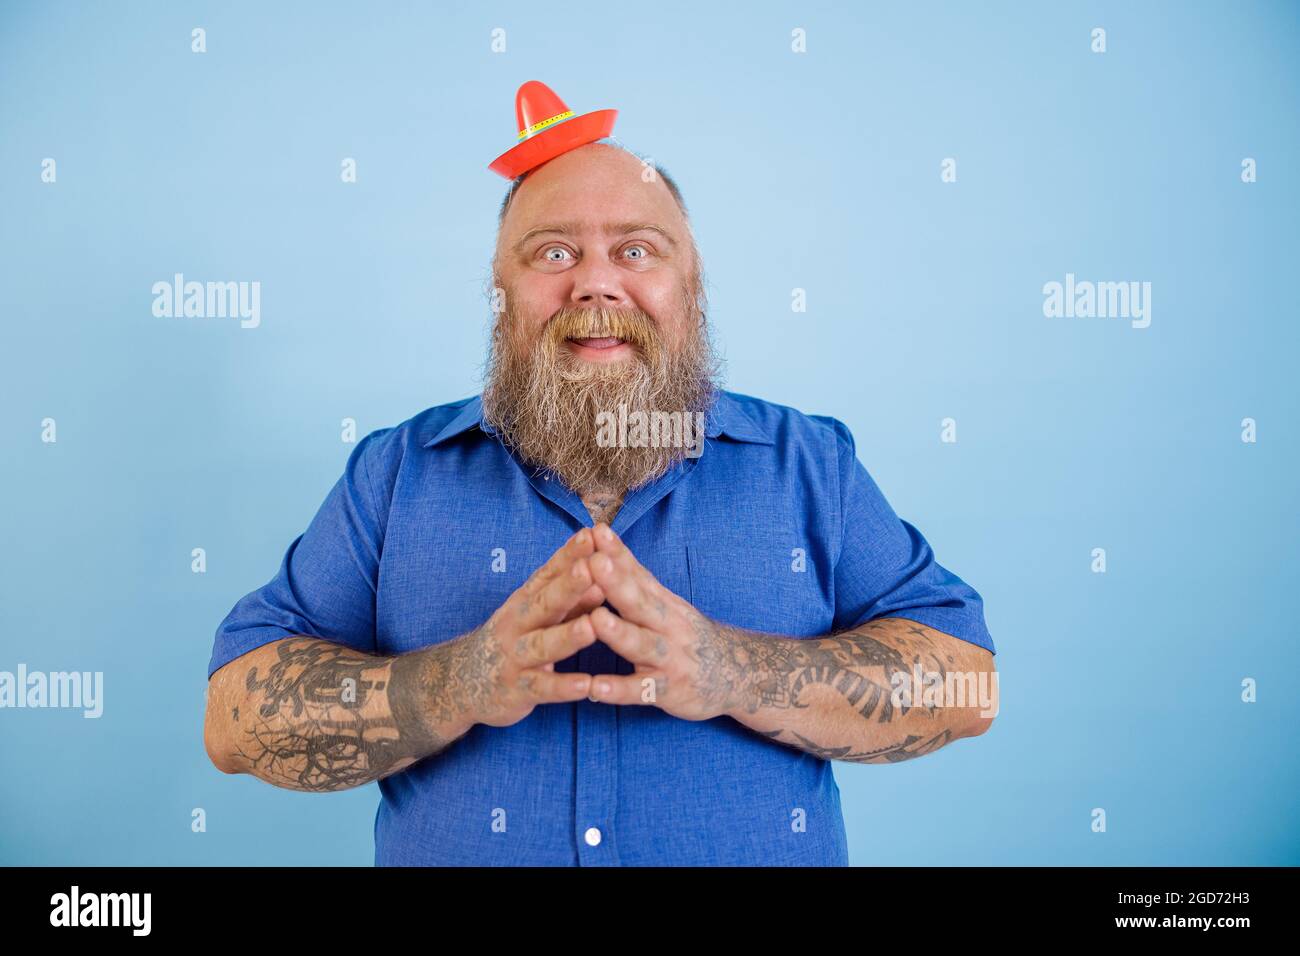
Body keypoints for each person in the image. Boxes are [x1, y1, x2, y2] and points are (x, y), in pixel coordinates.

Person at [203, 84, 998, 866]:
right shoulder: (395, 473)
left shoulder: (809, 465)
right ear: (501, 293)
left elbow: (967, 684)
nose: (595, 283)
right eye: (554, 253)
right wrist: (460, 683)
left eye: (636, 250)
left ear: (691, 288)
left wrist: (730, 671)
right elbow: (234, 720)